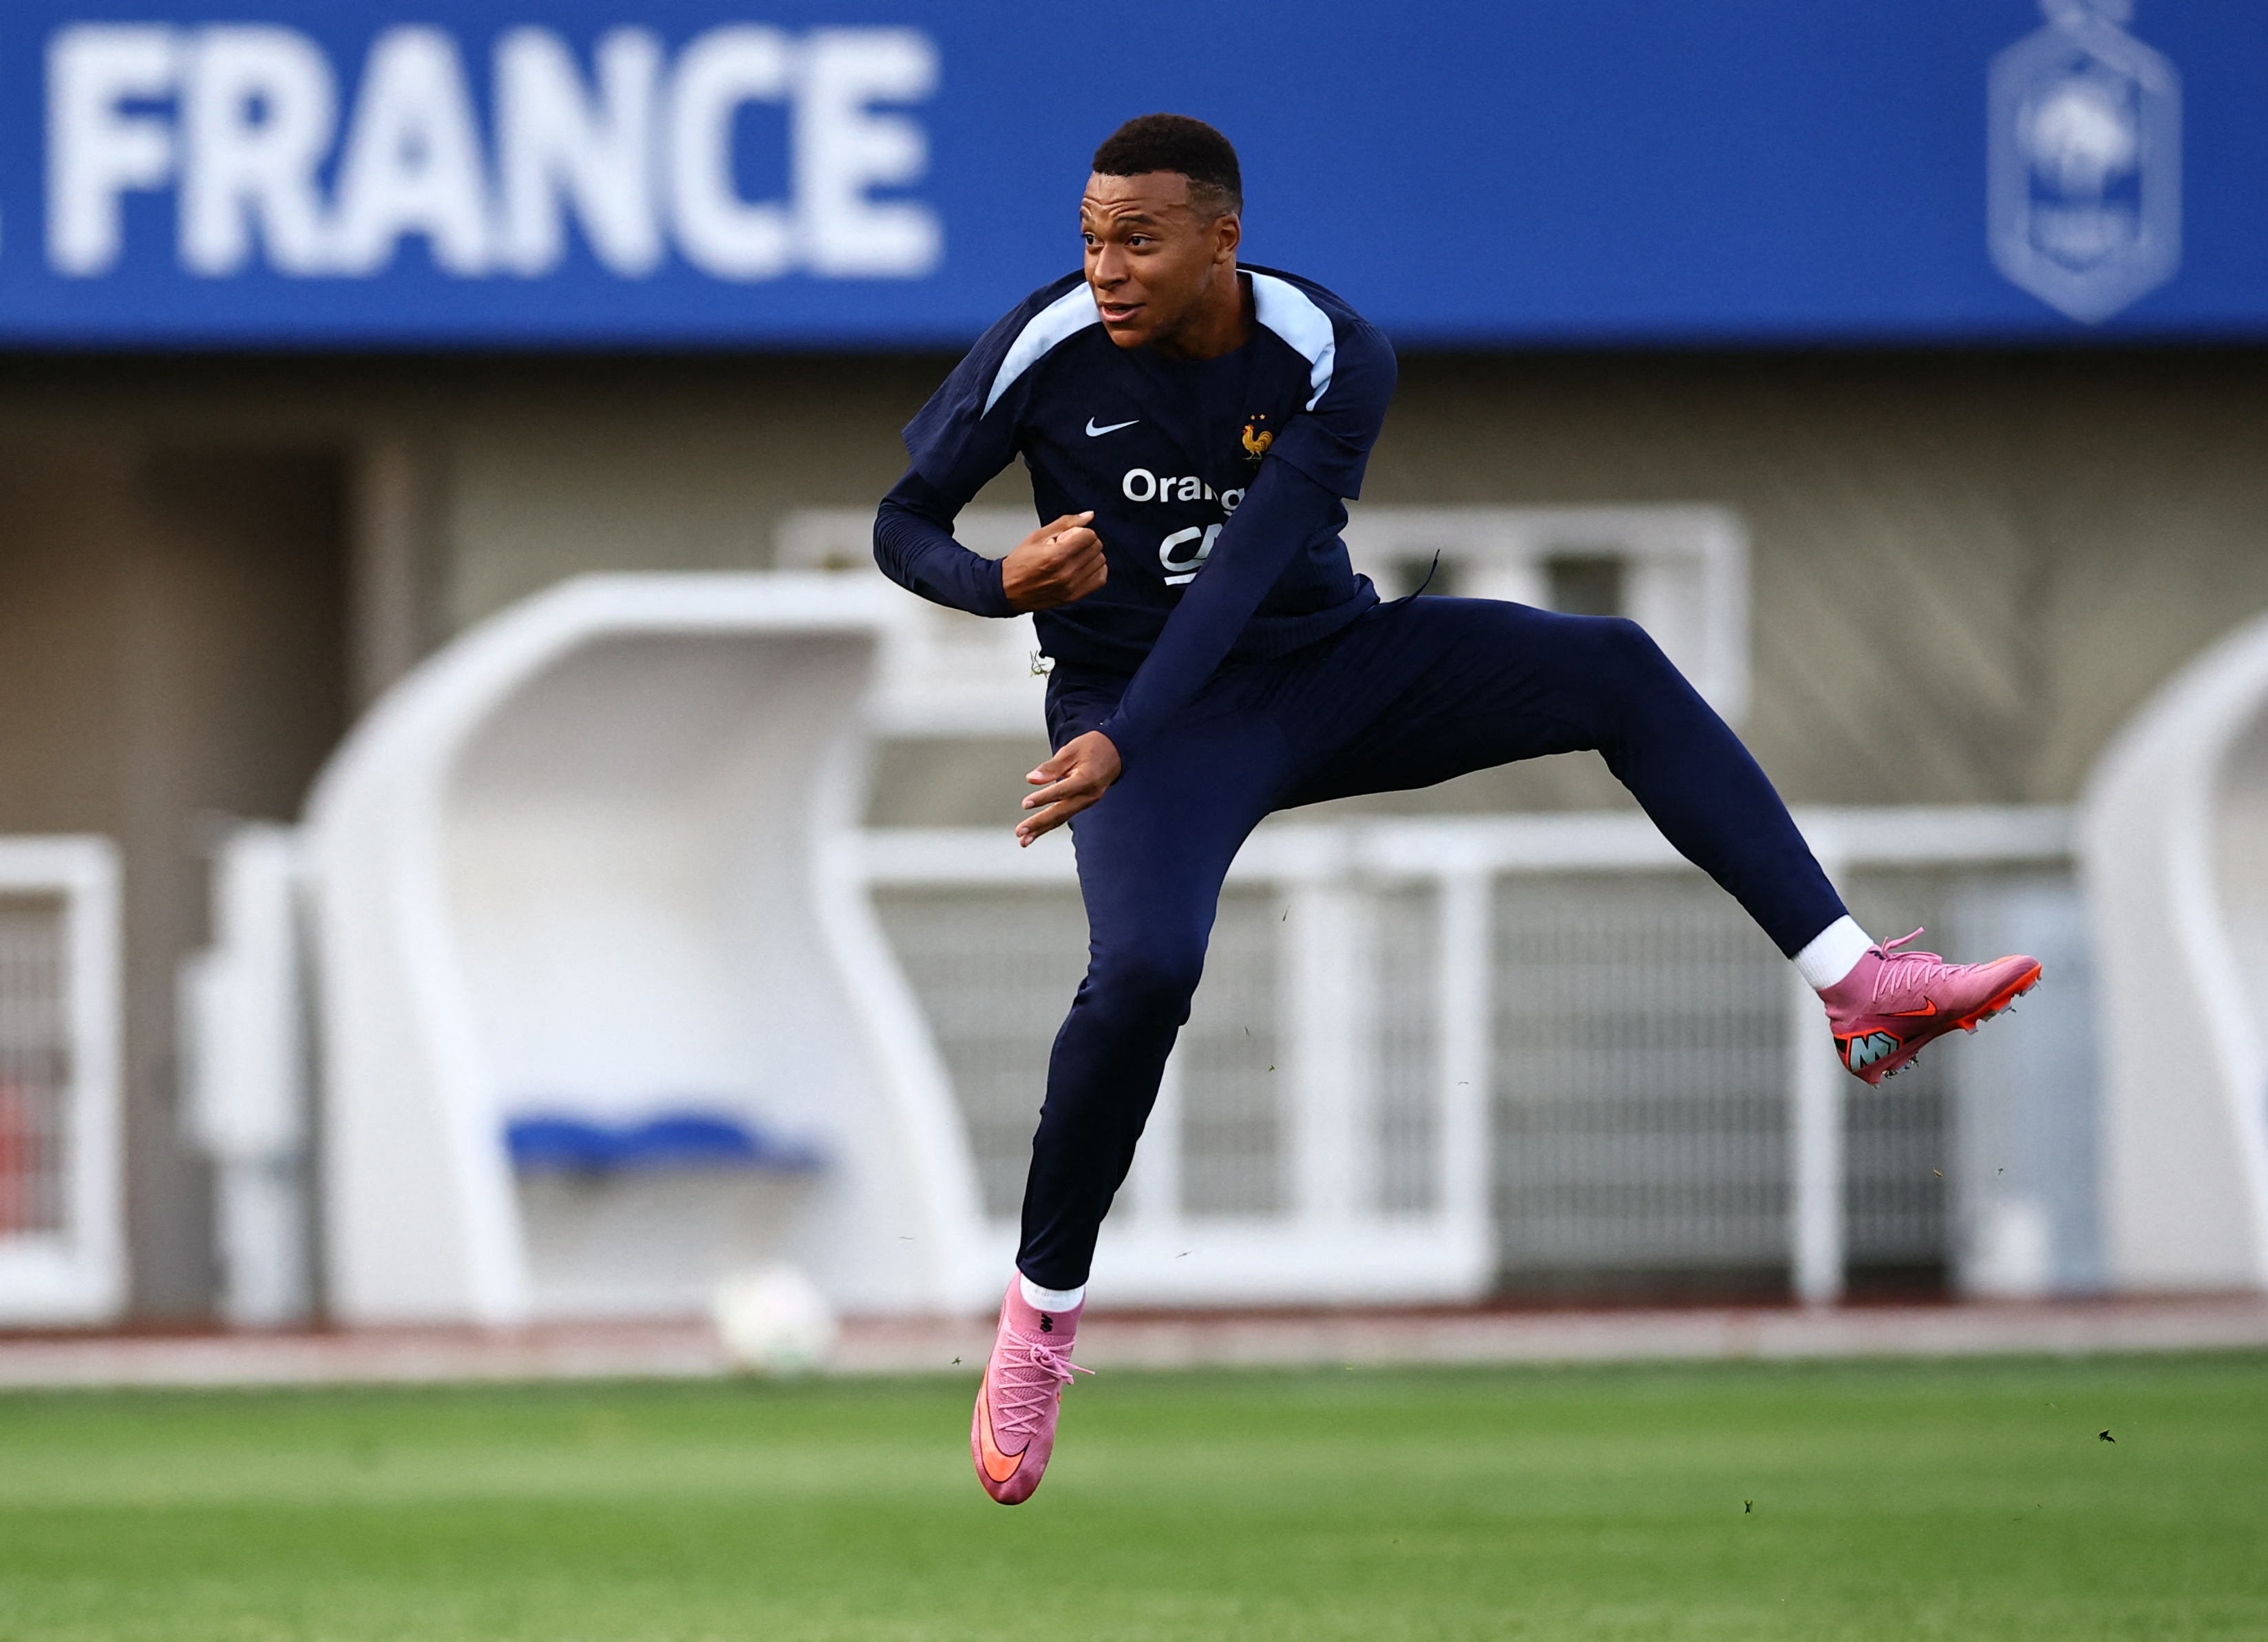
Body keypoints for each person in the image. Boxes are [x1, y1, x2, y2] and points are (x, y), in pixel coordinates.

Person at [872, 114, 2041, 1504]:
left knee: (1610, 663)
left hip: (1322, 673)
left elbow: (1244, 573)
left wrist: (1120, 738)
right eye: (1088, 236)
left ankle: (1860, 983)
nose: (1103, 268)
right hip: (1149, 718)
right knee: (1142, 971)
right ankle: (1038, 1321)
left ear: (1220, 241)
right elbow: (902, 521)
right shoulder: (1046, 343)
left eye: (1137, 238)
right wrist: (996, 587)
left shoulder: (1328, 350)